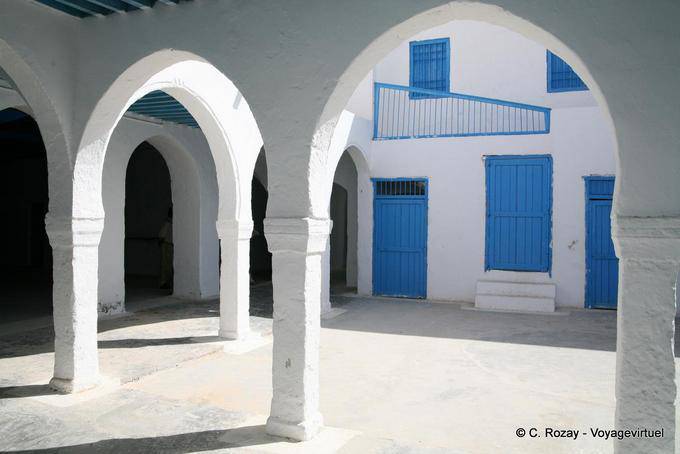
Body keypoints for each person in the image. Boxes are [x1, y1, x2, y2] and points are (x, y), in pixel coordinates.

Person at [158, 206, 173, 289]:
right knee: (166, 265)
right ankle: (164, 282)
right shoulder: (168, 222)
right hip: (167, 244)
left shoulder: (170, 221)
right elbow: (162, 234)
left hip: (168, 244)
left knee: (167, 265)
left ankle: (166, 282)